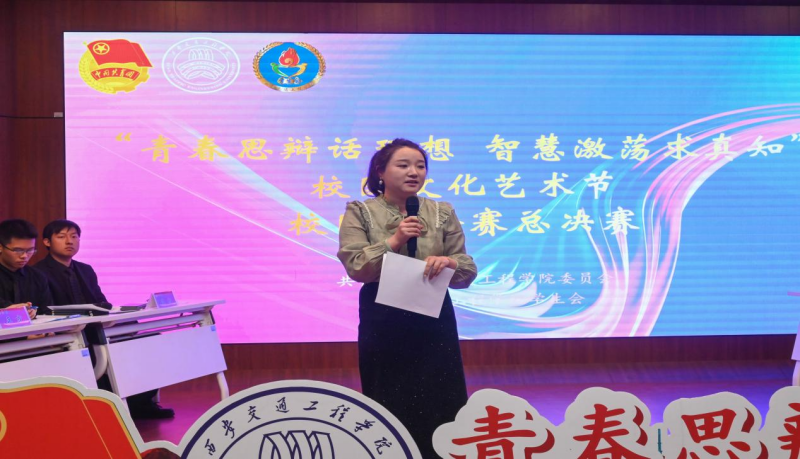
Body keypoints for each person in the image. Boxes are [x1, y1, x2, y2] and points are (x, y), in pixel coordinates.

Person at [337, 138, 478, 457]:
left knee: (441, 392)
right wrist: (395, 240)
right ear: (380, 171)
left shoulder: (442, 212)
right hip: (383, 314)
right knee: (388, 389)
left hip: (433, 314)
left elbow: (467, 269)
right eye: (403, 165)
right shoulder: (360, 211)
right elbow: (356, 266)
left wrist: (449, 263)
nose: (414, 172)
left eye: (420, 166)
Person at [33, 219, 174, 420]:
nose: (69, 241)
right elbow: (46, 310)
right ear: (47, 242)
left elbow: (102, 302)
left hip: (97, 328)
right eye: (62, 237)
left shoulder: (85, 269)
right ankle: (121, 404)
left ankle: (141, 402)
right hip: (71, 333)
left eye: (74, 236)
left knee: (150, 341)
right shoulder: (38, 273)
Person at [0, 219, 53, 317]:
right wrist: (8, 313)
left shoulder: (38, 277)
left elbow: (46, 312)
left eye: (30, 250)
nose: (24, 256)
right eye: (18, 250)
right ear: (1, 247)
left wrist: (33, 313)